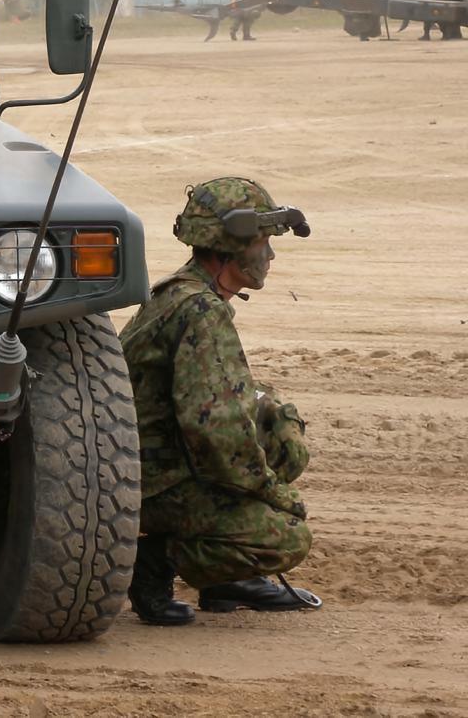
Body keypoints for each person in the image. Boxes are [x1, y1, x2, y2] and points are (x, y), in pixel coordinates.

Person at [120, 176, 322, 625]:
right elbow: (215, 429)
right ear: (227, 247)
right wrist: (274, 494)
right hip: (154, 480)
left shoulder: (183, 296)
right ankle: (155, 557)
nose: (269, 255)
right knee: (287, 539)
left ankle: (225, 580)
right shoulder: (200, 311)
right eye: (262, 242)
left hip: (156, 464)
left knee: (277, 432)